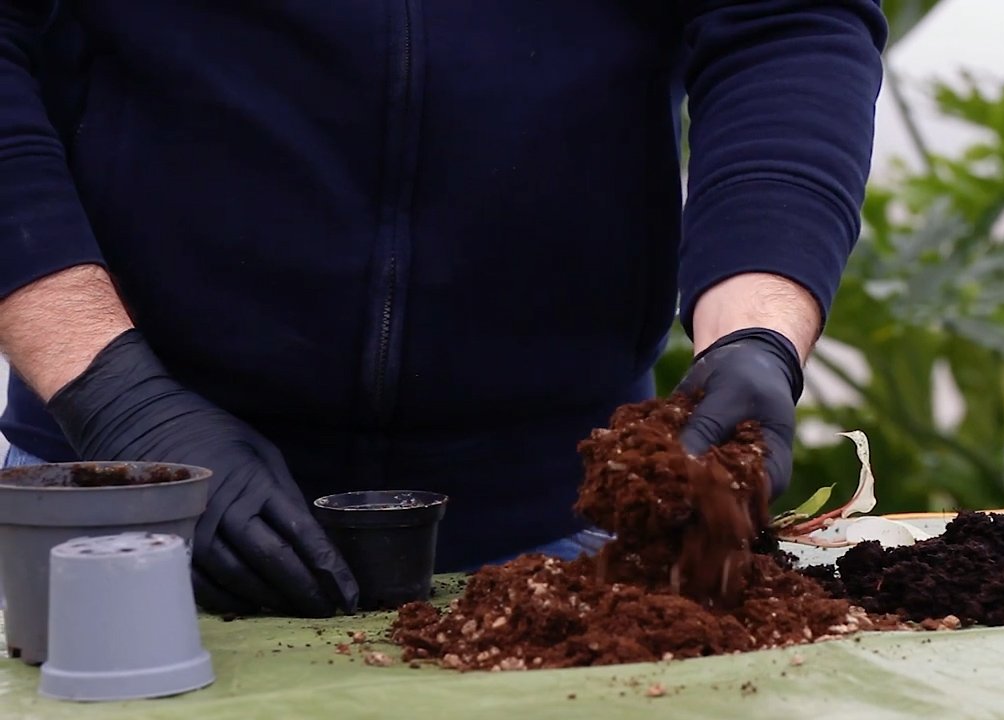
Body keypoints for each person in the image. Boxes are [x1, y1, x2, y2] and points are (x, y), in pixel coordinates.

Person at [0, 1, 888, 617]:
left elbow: (784, 22)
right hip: (123, 509)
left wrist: (755, 334)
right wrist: (120, 400)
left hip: (560, 534)